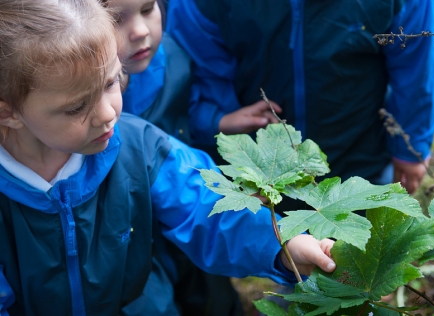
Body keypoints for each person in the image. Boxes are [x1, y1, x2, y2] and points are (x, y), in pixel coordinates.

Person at [0, 0, 337, 315]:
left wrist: (281, 245)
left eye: (112, 82)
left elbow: (206, 208)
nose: (107, 114)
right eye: (77, 107)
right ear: (8, 113)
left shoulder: (139, 146)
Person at [166, 0, 434, 203]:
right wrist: (219, 120)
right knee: (284, 256)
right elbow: (199, 61)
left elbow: (418, 66)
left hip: (361, 147)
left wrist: (411, 146)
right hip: (262, 161)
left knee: (357, 254)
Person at [101, 0, 243, 314]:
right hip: (130, 236)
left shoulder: (174, 56)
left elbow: (190, 109)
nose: (139, 31)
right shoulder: (83, 101)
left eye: (148, 8)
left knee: (213, 298)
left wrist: (218, 121)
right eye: (114, 18)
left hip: (189, 209)